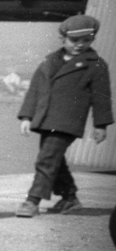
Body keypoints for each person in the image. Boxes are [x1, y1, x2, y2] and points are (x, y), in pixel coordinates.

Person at [15, 13, 111, 217]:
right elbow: (35, 89)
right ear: (63, 39)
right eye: (74, 40)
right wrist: (26, 116)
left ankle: (32, 201)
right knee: (53, 159)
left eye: (86, 40)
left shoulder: (96, 65)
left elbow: (101, 97)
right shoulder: (50, 61)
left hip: (67, 121)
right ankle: (70, 198)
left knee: (46, 160)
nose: (80, 45)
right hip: (46, 119)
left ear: (92, 39)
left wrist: (101, 125)